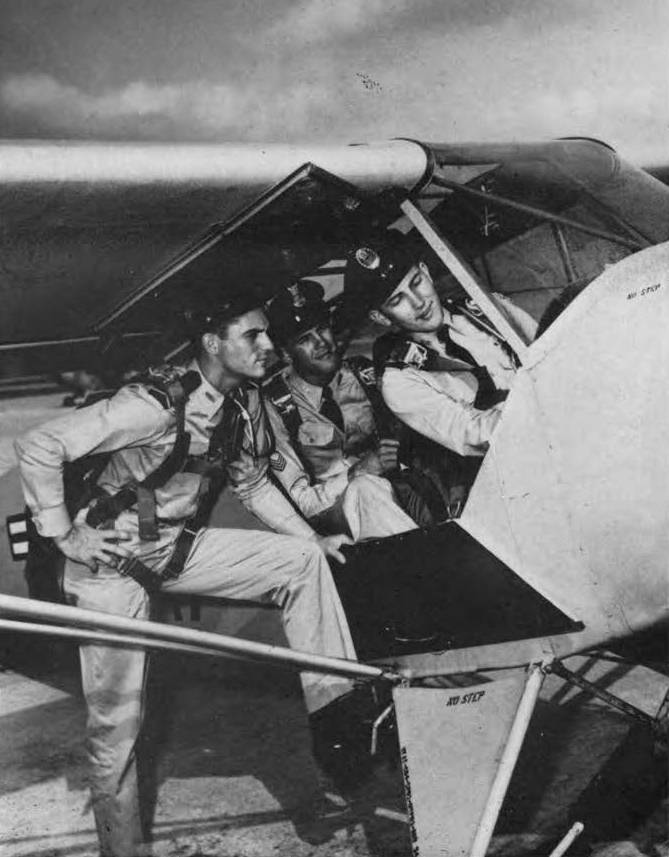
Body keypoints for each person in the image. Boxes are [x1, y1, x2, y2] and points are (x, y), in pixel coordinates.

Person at [15, 294, 373, 857]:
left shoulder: (241, 406)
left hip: (175, 548)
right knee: (116, 728)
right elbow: (38, 445)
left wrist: (314, 538)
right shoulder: (151, 405)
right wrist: (63, 533)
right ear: (212, 343)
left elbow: (252, 484)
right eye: (252, 335)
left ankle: (338, 723)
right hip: (110, 563)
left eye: (267, 335)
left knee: (302, 562)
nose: (268, 345)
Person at [342, 234, 529, 503]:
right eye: (398, 301)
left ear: (426, 271)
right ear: (380, 317)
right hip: (505, 477)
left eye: (416, 282)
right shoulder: (400, 380)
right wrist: (535, 404)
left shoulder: (483, 307)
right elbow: (473, 435)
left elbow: (545, 350)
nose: (419, 302)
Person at [261, 280, 418, 540]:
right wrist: (355, 473)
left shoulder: (363, 372)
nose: (321, 343)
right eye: (305, 340)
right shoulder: (275, 407)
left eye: (322, 329)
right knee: (363, 489)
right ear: (286, 355)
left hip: (390, 486)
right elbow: (303, 501)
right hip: (330, 512)